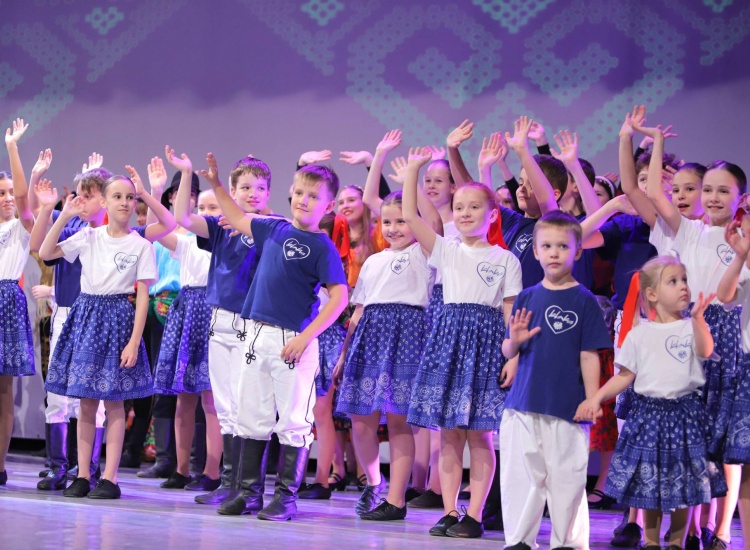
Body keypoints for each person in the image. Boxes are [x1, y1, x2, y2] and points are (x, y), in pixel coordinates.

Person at [204, 153, 348, 522]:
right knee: (251, 416)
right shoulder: (273, 227)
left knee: (294, 422)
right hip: (255, 335)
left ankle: (286, 498)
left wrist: (306, 337)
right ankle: (249, 493)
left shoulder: (323, 247)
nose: (304, 201)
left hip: (293, 342)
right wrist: (217, 184)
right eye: (299, 193)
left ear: (329, 205)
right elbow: (238, 218)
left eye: (313, 196)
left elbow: (339, 297)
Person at [404, 148, 522, 538]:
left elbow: (510, 312)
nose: (465, 213)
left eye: (474, 207)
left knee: (480, 434)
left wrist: (513, 356)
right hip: (449, 343)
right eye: (459, 207)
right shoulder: (447, 250)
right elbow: (411, 217)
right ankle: (450, 510)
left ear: (493, 215)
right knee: (449, 433)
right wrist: (414, 171)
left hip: (487, 347)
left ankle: (475, 514)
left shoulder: (506, 259)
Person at [577, 256, 726, 550]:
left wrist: (698, 320)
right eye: (673, 281)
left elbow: (706, 350)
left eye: (684, 280)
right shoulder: (640, 334)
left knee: (684, 484)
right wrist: (596, 397)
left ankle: (677, 542)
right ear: (652, 294)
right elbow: (625, 376)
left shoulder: (691, 327)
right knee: (650, 483)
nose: (683, 286)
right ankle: (651, 541)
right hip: (649, 415)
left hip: (685, 415)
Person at [40, 168, 162, 499]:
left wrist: (134, 341)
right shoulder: (89, 236)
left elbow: (142, 297)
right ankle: (82, 474)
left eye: (129, 197)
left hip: (118, 320)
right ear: (104, 201)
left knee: (115, 403)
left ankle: (110, 478)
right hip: (87, 317)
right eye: (117, 196)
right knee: (86, 402)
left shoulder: (141, 245)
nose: (124, 202)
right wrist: (65, 214)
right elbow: (47, 253)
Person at [500, 210, 613, 549]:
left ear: (577, 252)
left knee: (568, 479)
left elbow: (589, 354)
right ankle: (519, 540)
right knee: (522, 477)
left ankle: (568, 542)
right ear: (535, 251)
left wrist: (591, 399)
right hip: (524, 403)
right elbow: (509, 350)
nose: (554, 253)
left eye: (563, 246)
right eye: (547, 246)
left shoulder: (585, 300)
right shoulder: (527, 296)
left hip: (566, 406)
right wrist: (514, 341)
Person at [173, 149, 273, 507]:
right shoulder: (219, 226)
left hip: (254, 323)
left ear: (269, 193)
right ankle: (229, 485)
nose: (252, 194)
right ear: (231, 191)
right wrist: (187, 174)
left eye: (259, 188)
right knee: (226, 406)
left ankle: (249, 489)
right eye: (245, 187)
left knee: (249, 406)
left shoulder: (273, 227)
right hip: (220, 322)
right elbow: (182, 218)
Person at [152, 185, 224, 493]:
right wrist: (152, 192)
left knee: (210, 399)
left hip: (214, 313)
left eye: (213, 208)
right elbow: (155, 232)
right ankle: (181, 469)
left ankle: (211, 471)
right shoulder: (186, 241)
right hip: (187, 313)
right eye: (201, 208)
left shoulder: (226, 243)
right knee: (183, 396)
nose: (205, 213)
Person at [0, 118, 37, 486]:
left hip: (7, 301)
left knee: (3, 392)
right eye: (1, 193)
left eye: (10, 191)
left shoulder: (20, 228)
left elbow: (26, 199)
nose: (9, 197)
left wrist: (12, 147)